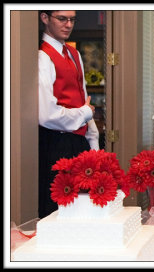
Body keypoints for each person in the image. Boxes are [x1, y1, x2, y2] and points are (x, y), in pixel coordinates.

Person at [38, 10, 99, 218]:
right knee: (58, 212)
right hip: (56, 144)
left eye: (72, 19)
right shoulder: (42, 55)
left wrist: (94, 144)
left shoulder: (74, 54)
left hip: (78, 143)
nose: (68, 25)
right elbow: (46, 114)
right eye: (62, 19)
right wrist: (83, 113)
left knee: (83, 212)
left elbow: (84, 99)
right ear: (45, 18)